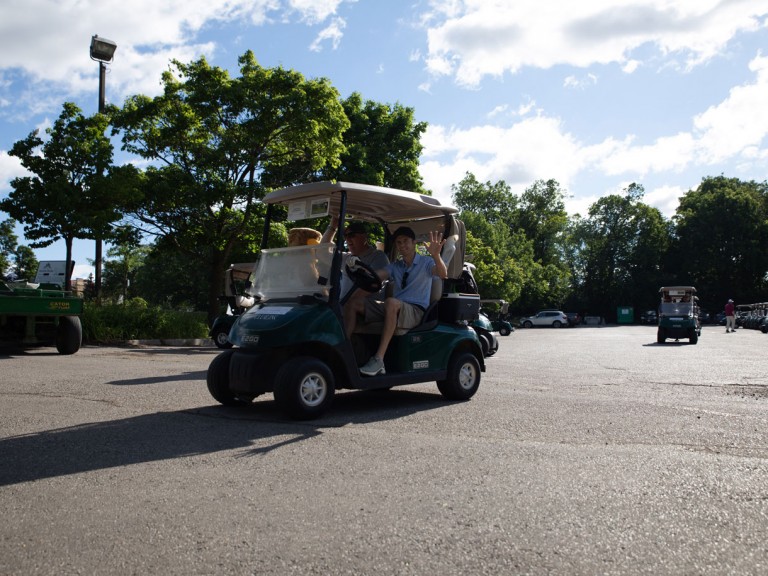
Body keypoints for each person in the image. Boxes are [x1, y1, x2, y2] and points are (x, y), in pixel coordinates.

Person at [345, 226, 447, 376]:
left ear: (414, 243)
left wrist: (436, 256)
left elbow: (443, 274)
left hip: (416, 311)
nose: (402, 245)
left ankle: (378, 360)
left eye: (405, 241)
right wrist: (359, 268)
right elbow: (377, 275)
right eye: (398, 243)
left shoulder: (426, 263)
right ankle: (344, 349)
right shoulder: (395, 266)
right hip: (395, 309)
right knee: (354, 303)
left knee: (391, 302)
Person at [321, 217, 389, 301]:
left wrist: (349, 302)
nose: (347, 239)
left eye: (352, 235)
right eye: (345, 236)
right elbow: (321, 253)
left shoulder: (378, 256)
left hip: (365, 308)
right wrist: (332, 226)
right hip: (343, 306)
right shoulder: (347, 258)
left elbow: (373, 283)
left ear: (364, 237)